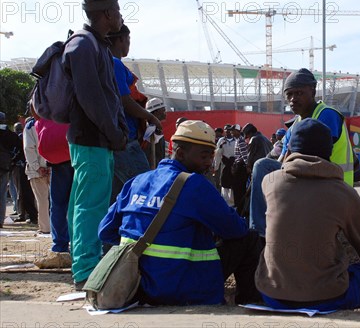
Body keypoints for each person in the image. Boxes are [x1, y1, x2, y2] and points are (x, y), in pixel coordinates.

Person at [255, 118, 360, 313]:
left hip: (272, 295)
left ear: (289, 151)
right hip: (324, 299)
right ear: (329, 153)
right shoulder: (344, 192)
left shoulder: (269, 181)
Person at [99, 120, 262, 305]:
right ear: (181, 153)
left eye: (211, 155)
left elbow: (105, 231)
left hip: (138, 287)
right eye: (204, 156)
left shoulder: (136, 181)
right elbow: (235, 229)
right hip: (185, 288)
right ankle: (249, 302)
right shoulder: (195, 185)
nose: (209, 163)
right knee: (250, 239)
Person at [62, 0, 129, 289]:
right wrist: (112, 130)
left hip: (97, 139)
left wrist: (116, 128)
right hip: (91, 139)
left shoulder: (96, 45)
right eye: (115, 9)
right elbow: (91, 99)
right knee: (90, 206)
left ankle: (85, 262)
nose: (119, 14)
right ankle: (86, 270)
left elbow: (108, 95)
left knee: (88, 203)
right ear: (105, 14)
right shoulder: (83, 45)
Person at [249, 68, 354, 237]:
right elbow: (284, 159)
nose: (293, 99)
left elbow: (313, 157)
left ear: (312, 91)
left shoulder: (326, 115)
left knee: (262, 166)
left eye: (298, 93)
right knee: (263, 169)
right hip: (311, 181)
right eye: (289, 95)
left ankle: (260, 234)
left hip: (332, 185)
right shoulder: (297, 123)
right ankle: (262, 229)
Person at [109, 24, 161, 202]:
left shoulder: (107, 63)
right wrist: (150, 116)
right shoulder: (114, 63)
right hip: (126, 141)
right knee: (146, 190)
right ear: (121, 39)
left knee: (117, 197)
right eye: (128, 40)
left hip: (117, 141)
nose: (129, 44)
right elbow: (125, 100)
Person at [33, 117, 73, 268]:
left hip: (57, 157)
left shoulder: (46, 99)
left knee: (58, 205)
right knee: (80, 203)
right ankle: (79, 247)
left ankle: (60, 247)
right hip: (77, 149)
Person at [23, 109, 50, 234]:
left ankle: (45, 228)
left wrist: (37, 166)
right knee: (58, 200)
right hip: (54, 166)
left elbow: (29, 147)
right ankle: (61, 227)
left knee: (42, 200)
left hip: (36, 170)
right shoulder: (54, 120)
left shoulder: (30, 126)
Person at [0, 112, 21, 228]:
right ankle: (0, 220)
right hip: (5, 167)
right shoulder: (11, 135)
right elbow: (18, 150)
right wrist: (12, 162)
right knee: (2, 194)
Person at [214, 124, 236, 206]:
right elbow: (217, 154)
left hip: (234, 164)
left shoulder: (236, 140)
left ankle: (232, 203)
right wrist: (216, 166)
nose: (228, 132)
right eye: (226, 130)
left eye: (229, 130)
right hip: (225, 164)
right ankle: (225, 202)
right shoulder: (221, 140)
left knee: (233, 183)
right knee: (224, 183)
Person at [142, 97, 167, 169]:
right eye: (163, 110)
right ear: (156, 112)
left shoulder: (156, 128)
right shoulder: (150, 129)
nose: (165, 113)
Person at [231, 124, 249, 215]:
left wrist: (247, 166)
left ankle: (240, 209)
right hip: (238, 166)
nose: (231, 132)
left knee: (239, 189)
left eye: (233, 130)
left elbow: (244, 156)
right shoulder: (238, 140)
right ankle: (239, 207)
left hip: (240, 167)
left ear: (238, 131)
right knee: (237, 189)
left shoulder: (241, 141)